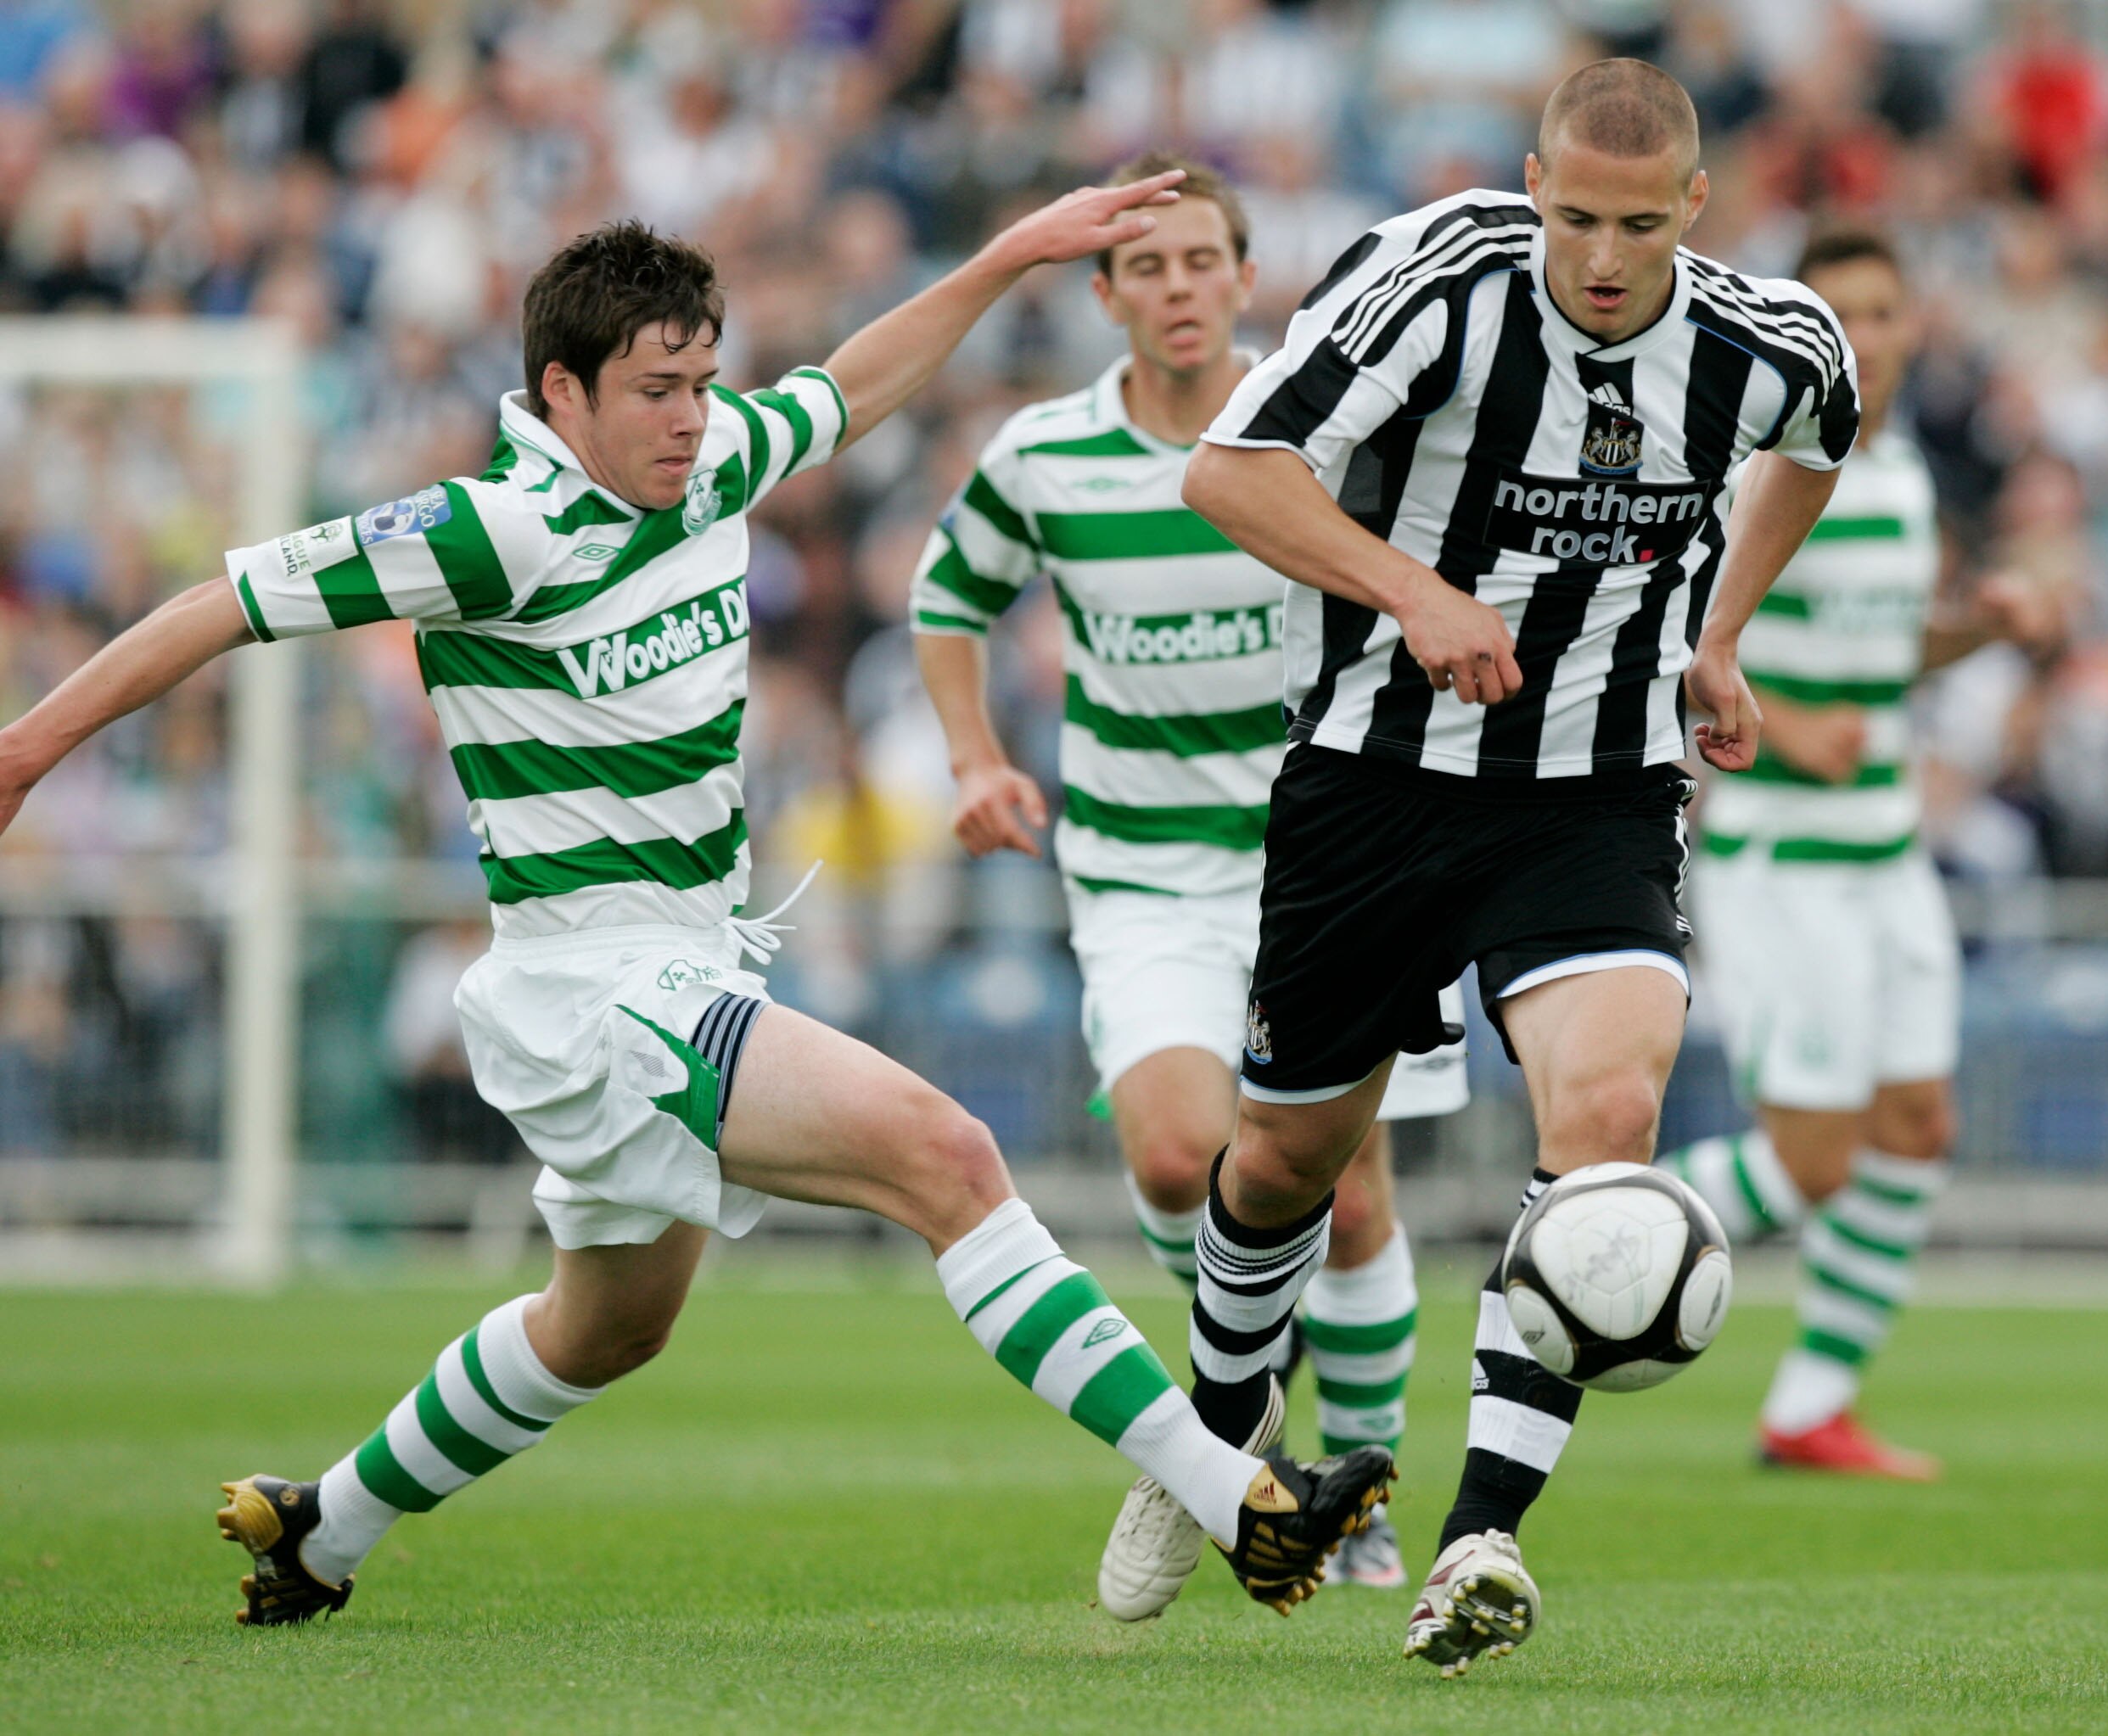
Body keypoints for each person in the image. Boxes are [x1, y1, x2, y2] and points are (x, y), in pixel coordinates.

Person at [0, 193, 1394, 1628]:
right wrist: (26, 751)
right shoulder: (491, 530)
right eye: (655, 391)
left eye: (700, 381)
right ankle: (1242, 1499)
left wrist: (1001, 258)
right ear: (563, 392)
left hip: (684, 959)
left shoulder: (712, 458)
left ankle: (321, 1526)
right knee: (948, 1155)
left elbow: (851, 386)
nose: (689, 417)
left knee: (605, 1328)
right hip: (593, 986)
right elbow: (221, 603)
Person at [1152, 59, 1862, 1674]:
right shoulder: (1437, 281)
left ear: (1694, 207)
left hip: (1594, 789)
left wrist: (1719, 632)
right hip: (1374, 778)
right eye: (1571, 215)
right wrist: (1412, 590)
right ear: (1529, 182)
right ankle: (1211, 1445)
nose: (1599, 256)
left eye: (1635, 223)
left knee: (1607, 1128)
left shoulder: (1771, 340)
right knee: (1282, 1163)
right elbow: (1228, 470)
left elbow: (1818, 442)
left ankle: (1476, 1536)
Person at [910, 151, 1469, 1614]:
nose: (1174, 287)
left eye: (1198, 260)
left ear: (1242, 274)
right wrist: (973, 756)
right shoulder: (1044, 455)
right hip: (1144, 866)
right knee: (1174, 1155)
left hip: (1330, 860)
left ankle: (1359, 1491)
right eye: (1142, 266)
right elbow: (945, 596)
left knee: (1350, 1202)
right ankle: (1250, 1386)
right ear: (1103, 293)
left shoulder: (1318, 434)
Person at [1655, 227, 2055, 1481]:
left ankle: (1808, 1407)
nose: (1867, 337)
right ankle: (1573, 1231)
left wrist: (1975, 633)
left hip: (1887, 852)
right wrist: (1779, 723)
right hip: (1780, 855)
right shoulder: (1746, 469)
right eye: (1843, 313)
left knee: (1917, 1124)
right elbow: (1665, 641)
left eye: (1884, 313)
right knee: (1814, 1157)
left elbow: (1882, 665)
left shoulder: (1901, 477)